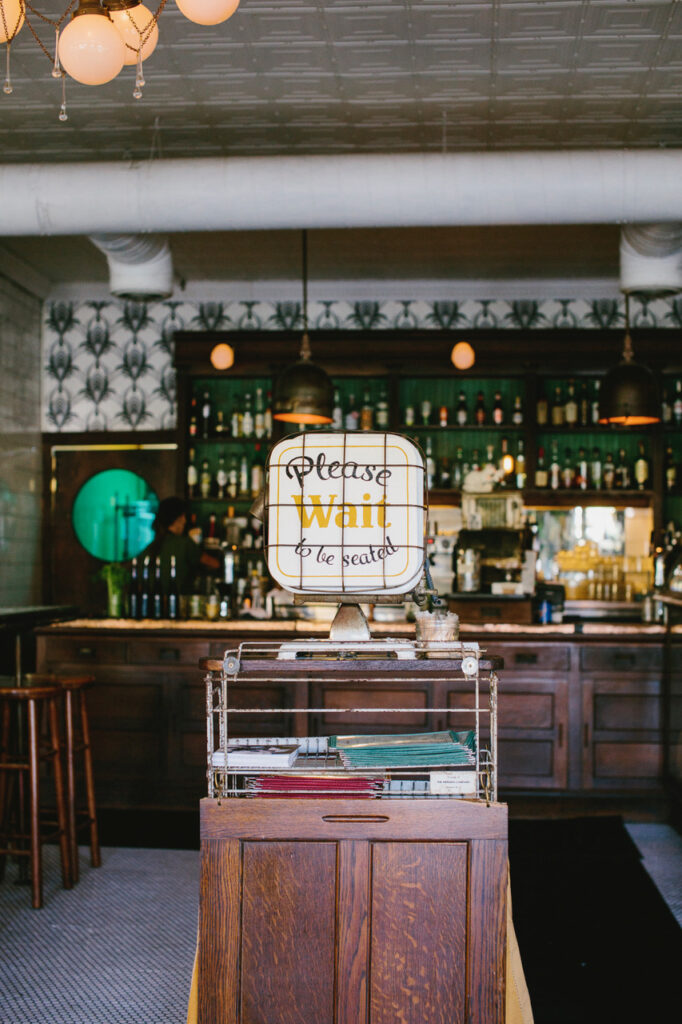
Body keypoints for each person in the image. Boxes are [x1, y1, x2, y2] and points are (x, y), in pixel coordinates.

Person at [143, 496, 220, 596]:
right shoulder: (184, 543)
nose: (185, 521)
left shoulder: (151, 545)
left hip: (153, 605)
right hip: (178, 604)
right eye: (183, 516)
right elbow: (215, 564)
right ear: (177, 518)